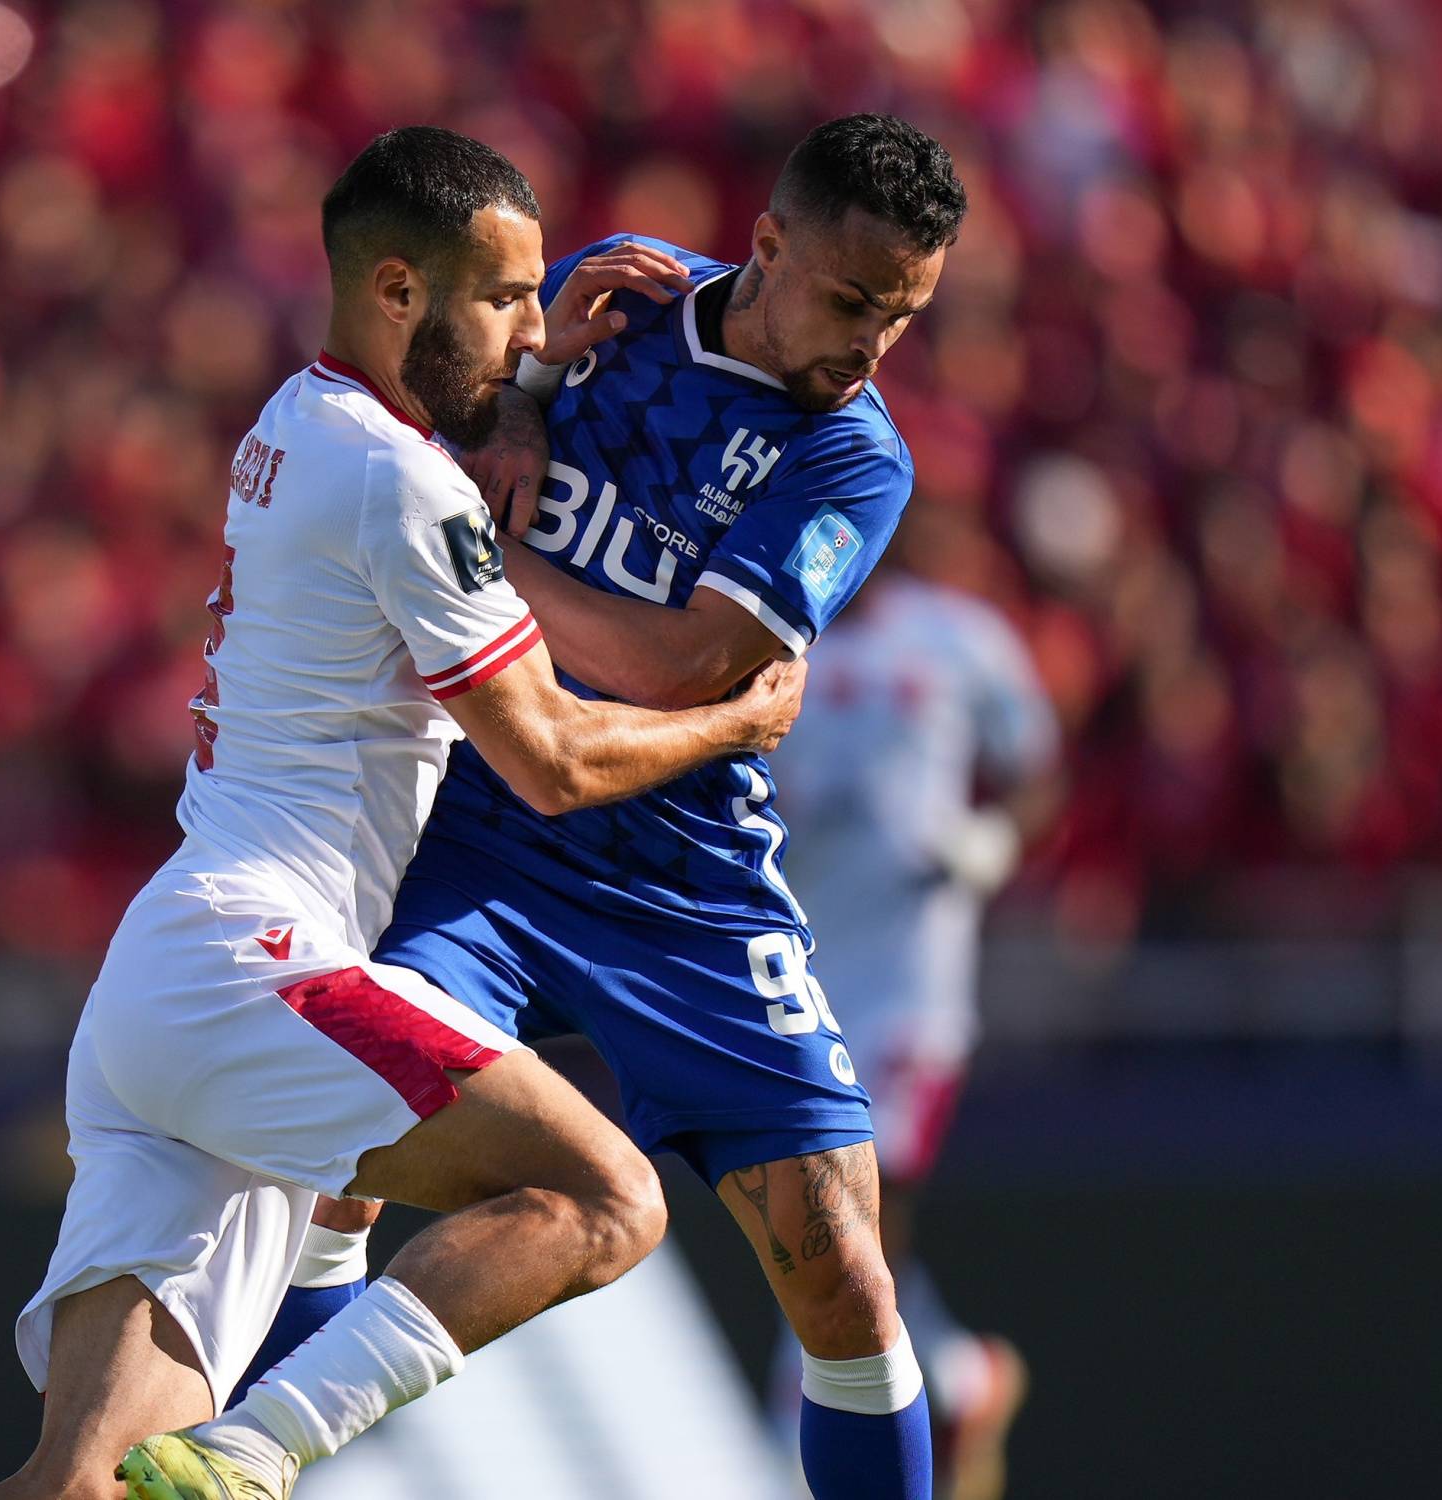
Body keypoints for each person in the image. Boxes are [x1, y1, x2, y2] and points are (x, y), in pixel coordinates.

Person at [0, 126, 805, 1500]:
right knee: (609, 1200)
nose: (535, 326)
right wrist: (739, 721)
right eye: (508, 298)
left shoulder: (298, 423)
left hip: (170, 989)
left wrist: (528, 378)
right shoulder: (397, 483)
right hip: (255, 966)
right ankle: (257, 1454)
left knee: (83, 1489)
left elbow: (447, 423)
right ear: (399, 293)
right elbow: (547, 758)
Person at [362, 113, 967, 1500]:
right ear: (766, 246)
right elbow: (422, 408)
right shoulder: (618, 299)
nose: (874, 343)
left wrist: (478, 555)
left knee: (845, 1284)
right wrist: (517, 394)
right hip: (484, 835)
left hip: (679, 874)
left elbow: (680, 665)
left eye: (905, 315)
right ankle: (253, 1455)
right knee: (339, 1139)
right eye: (854, 300)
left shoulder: (853, 460)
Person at [770, 532, 1061, 1500]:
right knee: (814, 1221)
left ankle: (803, 1439)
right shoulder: (762, 640)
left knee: (844, 1221)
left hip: (911, 986)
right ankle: (952, 1373)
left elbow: (1035, 768)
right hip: (798, 974)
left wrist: (995, 839)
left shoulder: (958, 639)